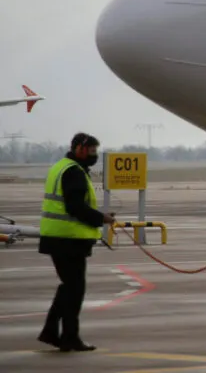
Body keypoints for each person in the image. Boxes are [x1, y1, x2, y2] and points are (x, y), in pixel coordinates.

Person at [38, 133, 116, 352]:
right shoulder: (74, 172)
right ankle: (69, 337)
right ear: (79, 149)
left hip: (58, 237)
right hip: (68, 239)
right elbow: (75, 207)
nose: (94, 155)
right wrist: (101, 218)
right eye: (91, 151)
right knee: (74, 289)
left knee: (69, 287)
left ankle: (52, 332)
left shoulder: (61, 166)